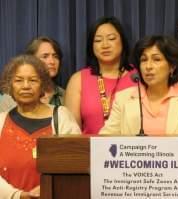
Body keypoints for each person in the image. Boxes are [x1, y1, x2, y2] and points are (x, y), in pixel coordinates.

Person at [100, 35, 178, 136]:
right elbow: (104, 139)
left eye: (156, 60)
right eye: (143, 60)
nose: (148, 66)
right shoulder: (123, 99)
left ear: (172, 66)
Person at [0, 54, 81, 199]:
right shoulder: (1, 121)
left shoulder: (61, 117)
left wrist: (46, 187)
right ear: (9, 85)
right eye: (18, 80)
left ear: (43, 85)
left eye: (32, 80)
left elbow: (77, 163)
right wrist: (17, 195)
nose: (26, 86)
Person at [65, 16, 136, 134]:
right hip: (89, 150)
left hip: (131, 150)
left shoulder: (138, 77)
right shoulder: (78, 79)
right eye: (98, 40)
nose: (105, 45)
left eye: (111, 38)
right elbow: (71, 132)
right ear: (91, 46)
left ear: (123, 42)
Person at [25, 36, 65, 106]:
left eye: (55, 56)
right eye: (45, 56)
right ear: (31, 61)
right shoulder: (17, 94)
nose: (52, 62)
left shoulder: (65, 96)